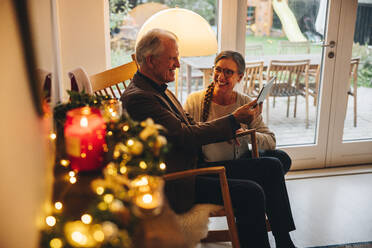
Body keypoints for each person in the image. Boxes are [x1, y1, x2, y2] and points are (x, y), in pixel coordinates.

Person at [121, 28, 296, 248]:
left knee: (272, 166)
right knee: (252, 193)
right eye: (172, 58)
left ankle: (284, 241)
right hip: (180, 180)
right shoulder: (141, 98)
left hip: (193, 167)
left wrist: (232, 128)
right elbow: (185, 135)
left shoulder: (158, 89)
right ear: (150, 60)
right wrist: (233, 120)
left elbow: (189, 127)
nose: (177, 64)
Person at [184, 50, 292, 174]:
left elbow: (271, 141)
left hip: (240, 161)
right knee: (272, 166)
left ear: (240, 77)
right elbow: (188, 138)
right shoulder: (195, 100)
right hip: (213, 166)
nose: (221, 76)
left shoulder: (245, 102)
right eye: (218, 70)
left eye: (228, 72)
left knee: (282, 158)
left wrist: (246, 134)